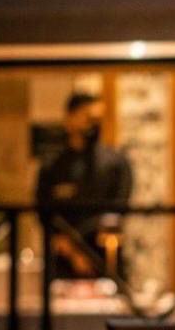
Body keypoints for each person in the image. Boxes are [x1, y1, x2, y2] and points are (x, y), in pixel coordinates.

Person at [36, 92, 133, 278]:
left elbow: (117, 211)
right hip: (63, 266)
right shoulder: (52, 166)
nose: (94, 125)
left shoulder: (116, 164)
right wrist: (73, 253)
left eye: (98, 119)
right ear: (70, 119)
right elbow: (45, 215)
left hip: (106, 261)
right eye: (88, 118)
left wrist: (90, 255)